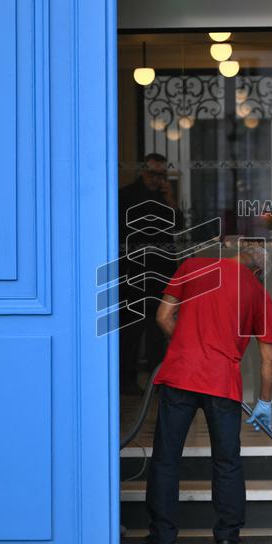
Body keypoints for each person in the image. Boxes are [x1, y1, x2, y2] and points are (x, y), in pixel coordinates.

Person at [132, 245, 272, 544]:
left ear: (234, 256)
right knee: (227, 461)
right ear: (258, 271)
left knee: (166, 459)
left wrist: (185, 342)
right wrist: (265, 400)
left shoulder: (193, 266)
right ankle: (227, 539)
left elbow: (162, 315)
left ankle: (162, 542)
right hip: (222, 383)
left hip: (180, 375)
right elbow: (268, 358)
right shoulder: (259, 294)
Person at [117, 153, 181, 396]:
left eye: (162, 175)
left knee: (159, 327)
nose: (157, 179)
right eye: (153, 174)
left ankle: (158, 379)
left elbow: (177, 225)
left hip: (161, 270)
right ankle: (127, 381)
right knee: (132, 330)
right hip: (134, 270)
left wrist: (170, 199)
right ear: (143, 172)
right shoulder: (126, 195)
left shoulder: (164, 197)